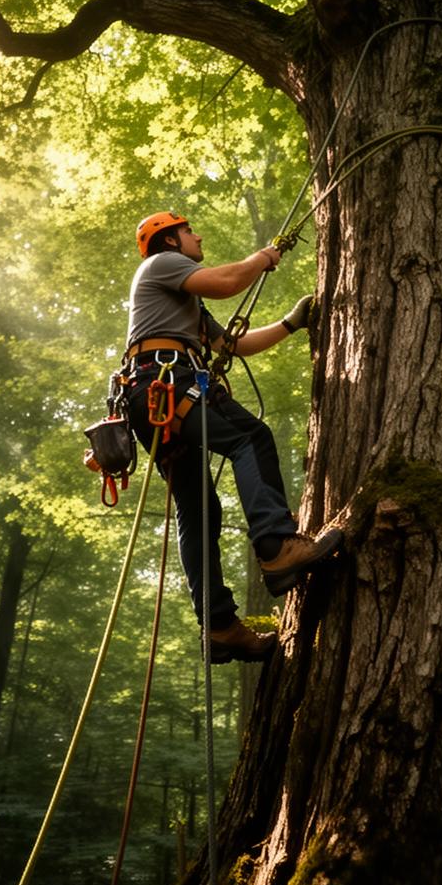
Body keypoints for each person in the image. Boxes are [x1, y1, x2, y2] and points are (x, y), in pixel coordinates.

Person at [125, 211, 343, 663]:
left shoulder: (185, 306)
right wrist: (265, 255)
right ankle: (276, 544)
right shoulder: (159, 266)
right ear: (169, 241)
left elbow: (233, 345)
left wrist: (289, 324)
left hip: (153, 396)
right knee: (251, 436)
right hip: (164, 381)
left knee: (198, 507)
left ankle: (220, 627)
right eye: (189, 231)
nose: (197, 235)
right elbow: (227, 281)